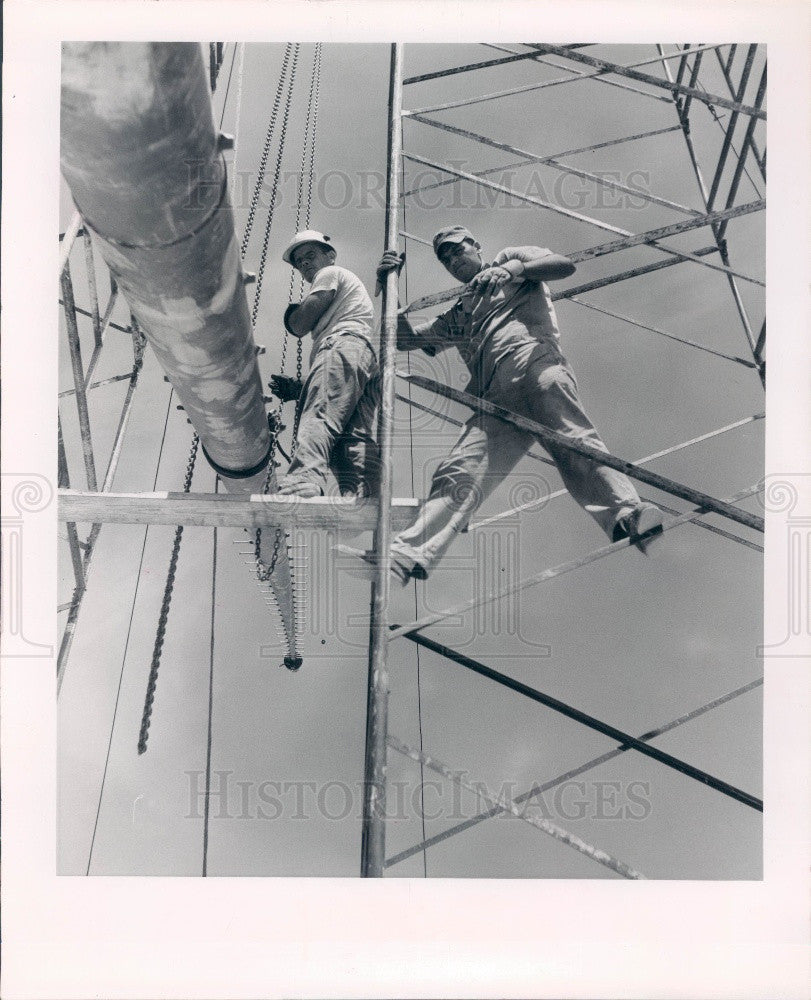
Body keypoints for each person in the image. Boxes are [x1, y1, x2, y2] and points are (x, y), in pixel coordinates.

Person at [373, 225, 664, 583]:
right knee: (460, 470)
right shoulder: (460, 312)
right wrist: (389, 287)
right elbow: (402, 340)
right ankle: (408, 554)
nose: (452, 260)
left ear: (475, 245)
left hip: (534, 365)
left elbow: (562, 265)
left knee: (576, 446)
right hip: (494, 401)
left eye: (456, 249)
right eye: (444, 257)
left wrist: (514, 269)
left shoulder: (510, 259)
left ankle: (629, 515)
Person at [270, 230, 380, 499]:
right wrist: (301, 388)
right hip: (362, 357)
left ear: (329, 256)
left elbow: (300, 324)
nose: (305, 263)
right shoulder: (349, 292)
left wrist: (292, 316)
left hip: (342, 346)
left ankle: (303, 480)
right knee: (349, 437)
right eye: (299, 261)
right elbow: (338, 385)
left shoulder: (330, 274)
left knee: (319, 415)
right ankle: (363, 495)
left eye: (310, 255)